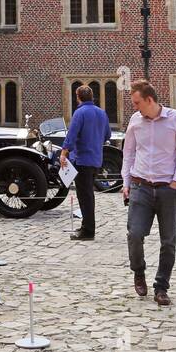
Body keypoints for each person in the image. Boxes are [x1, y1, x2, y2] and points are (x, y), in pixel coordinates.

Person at [122, 79, 176, 307]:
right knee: (134, 233)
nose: (135, 107)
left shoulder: (175, 118)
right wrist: (126, 182)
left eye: (137, 102)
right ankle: (138, 271)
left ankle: (161, 287)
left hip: (167, 189)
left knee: (168, 241)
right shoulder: (135, 121)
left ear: (149, 99)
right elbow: (128, 153)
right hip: (140, 185)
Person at [59, 85, 110, 240]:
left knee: (85, 197)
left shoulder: (80, 112)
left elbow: (72, 135)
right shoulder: (102, 113)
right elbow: (107, 134)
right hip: (96, 159)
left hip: (82, 160)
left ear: (78, 96)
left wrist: (63, 152)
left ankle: (88, 230)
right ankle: (87, 227)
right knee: (89, 196)